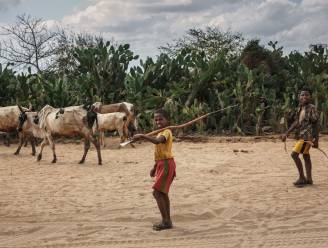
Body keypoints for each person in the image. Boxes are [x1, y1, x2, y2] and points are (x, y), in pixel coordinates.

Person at [133, 109, 176, 231]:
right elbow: (159, 152)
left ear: (167, 120)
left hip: (167, 164)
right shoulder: (160, 132)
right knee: (162, 193)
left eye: (161, 119)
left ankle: (166, 221)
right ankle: (167, 220)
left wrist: (142, 135)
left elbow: (158, 141)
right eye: (156, 119)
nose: (158, 121)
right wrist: (154, 167)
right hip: (162, 164)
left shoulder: (166, 132)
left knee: (157, 193)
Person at [281, 87, 319, 187]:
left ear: (310, 97)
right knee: (306, 156)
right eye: (302, 95)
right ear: (299, 97)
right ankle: (309, 179)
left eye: (306, 95)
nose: (304, 97)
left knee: (294, 154)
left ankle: (302, 177)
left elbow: (315, 124)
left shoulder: (312, 108)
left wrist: (316, 140)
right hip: (302, 135)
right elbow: (297, 122)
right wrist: (287, 133)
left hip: (307, 137)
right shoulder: (300, 108)